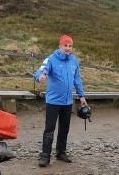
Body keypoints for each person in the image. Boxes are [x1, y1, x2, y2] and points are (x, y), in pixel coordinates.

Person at [33, 34, 88, 166]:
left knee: (64, 128)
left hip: (67, 102)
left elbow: (77, 80)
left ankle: (61, 152)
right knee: (49, 128)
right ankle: (45, 155)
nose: (68, 48)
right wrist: (40, 77)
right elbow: (39, 72)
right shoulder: (51, 59)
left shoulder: (74, 61)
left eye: (70, 46)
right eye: (65, 45)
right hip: (53, 102)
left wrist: (81, 96)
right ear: (60, 46)